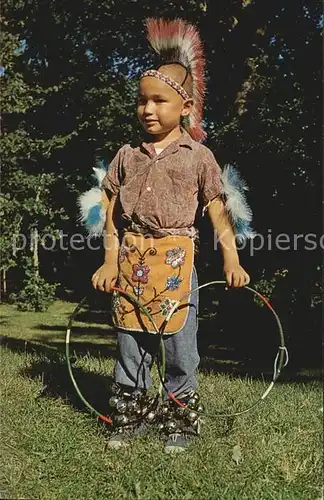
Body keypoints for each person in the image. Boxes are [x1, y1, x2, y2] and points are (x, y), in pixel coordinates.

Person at [89, 18, 251, 453]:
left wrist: (231, 259)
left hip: (178, 258)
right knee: (130, 338)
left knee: (179, 343)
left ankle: (179, 417)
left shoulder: (199, 157)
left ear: (185, 107)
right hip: (131, 256)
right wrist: (108, 259)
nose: (147, 109)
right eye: (141, 101)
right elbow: (110, 212)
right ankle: (132, 414)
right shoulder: (126, 156)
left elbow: (218, 210)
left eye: (159, 100)